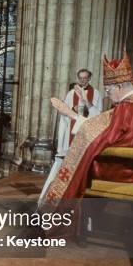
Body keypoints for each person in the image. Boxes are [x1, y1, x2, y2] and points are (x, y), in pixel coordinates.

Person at [42, 51, 133, 235]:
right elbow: (107, 125)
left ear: (120, 86)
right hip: (131, 160)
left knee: (74, 163)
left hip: (123, 166)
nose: (106, 94)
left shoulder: (129, 107)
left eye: (108, 90)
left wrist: (71, 114)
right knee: (74, 158)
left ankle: (55, 221)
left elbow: (102, 137)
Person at [38, 69, 104, 201]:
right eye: (80, 78)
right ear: (78, 78)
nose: (83, 81)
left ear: (90, 78)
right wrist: (71, 110)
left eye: (85, 78)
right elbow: (64, 113)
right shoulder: (71, 93)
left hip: (86, 128)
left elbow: (98, 114)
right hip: (72, 129)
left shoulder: (96, 93)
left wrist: (86, 108)